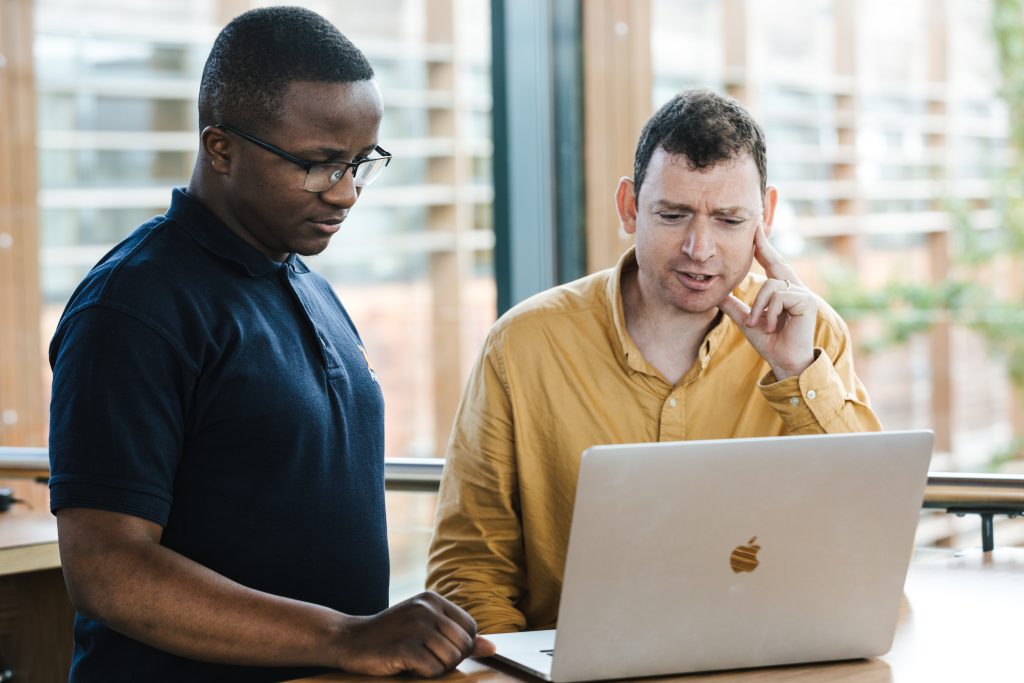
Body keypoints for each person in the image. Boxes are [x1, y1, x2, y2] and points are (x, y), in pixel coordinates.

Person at [48, 7, 492, 681]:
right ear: (221, 148)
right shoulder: (133, 306)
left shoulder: (302, 278)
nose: (345, 193)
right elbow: (110, 571)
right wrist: (347, 636)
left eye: (359, 163)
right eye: (317, 164)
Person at [426, 88, 882, 634]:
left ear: (768, 216)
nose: (700, 247)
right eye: (673, 214)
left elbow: (870, 535)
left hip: (765, 661)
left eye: (730, 221)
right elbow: (470, 571)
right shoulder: (523, 344)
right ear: (628, 207)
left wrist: (798, 373)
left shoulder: (811, 334)